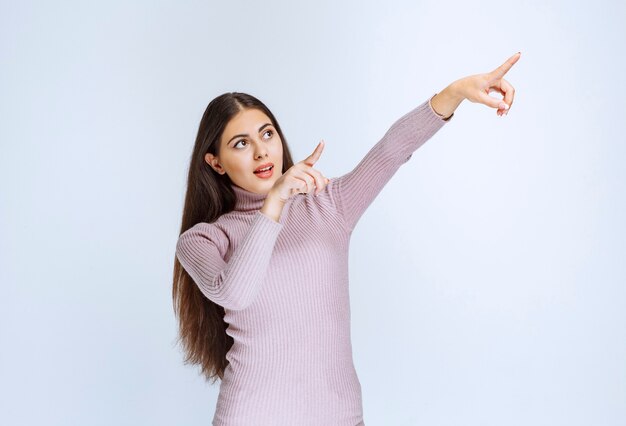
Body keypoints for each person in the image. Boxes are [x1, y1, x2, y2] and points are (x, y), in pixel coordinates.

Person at [172, 52, 521, 425]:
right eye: (240, 143)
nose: (261, 151)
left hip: (338, 415)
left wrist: (455, 93)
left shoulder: (329, 205)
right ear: (215, 162)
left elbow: (391, 151)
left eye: (267, 134)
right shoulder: (202, 240)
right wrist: (274, 201)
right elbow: (235, 293)